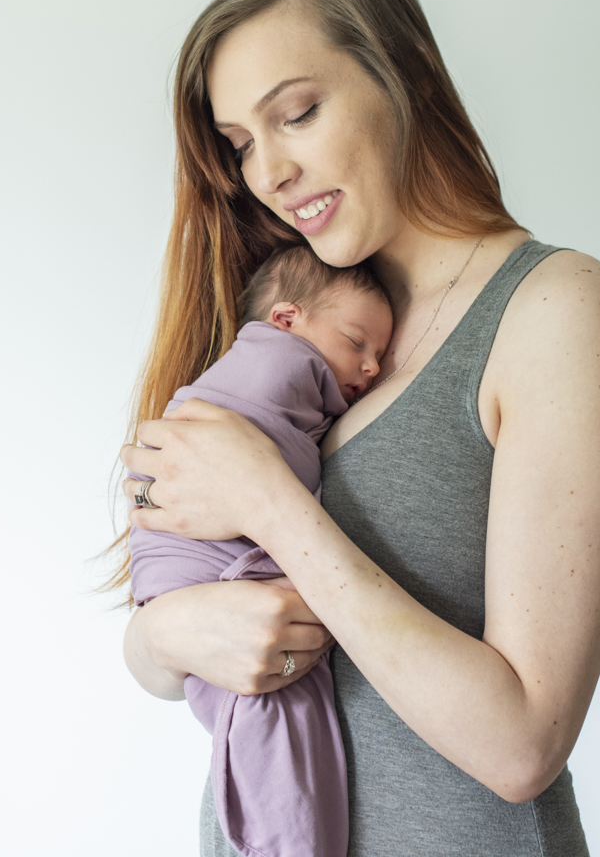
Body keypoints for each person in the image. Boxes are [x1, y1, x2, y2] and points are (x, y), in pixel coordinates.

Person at [113, 0, 600, 857]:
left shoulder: (557, 313)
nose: (268, 174)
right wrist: (166, 633)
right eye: (242, 144)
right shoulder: (287, 322)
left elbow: (523, 743)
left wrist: (271, 504)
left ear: (404, 78)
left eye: (298, 113)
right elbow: (161, 647)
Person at [129, 245, 394, 857]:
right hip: (201, 572)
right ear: (284, 321)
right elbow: (250, 455)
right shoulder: (272, 366)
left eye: (379, 353)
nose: (372, 367)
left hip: (204, 589)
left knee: (271, 739)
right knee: (278, 737)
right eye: (357, 342)